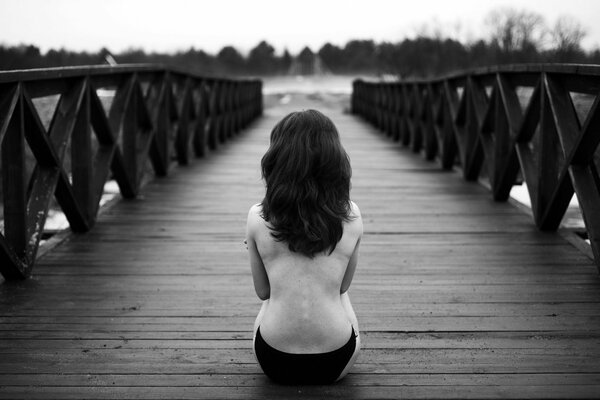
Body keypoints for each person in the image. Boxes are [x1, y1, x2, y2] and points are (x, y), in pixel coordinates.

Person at [245, 109, 363, 385]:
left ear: (277, 160)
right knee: (336, 294)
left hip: (273, 359)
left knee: (275, 298)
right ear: (335, 161)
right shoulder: (352, 214)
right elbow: (342, 287)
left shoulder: (257, 216)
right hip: (336, 359)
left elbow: (263, 291)